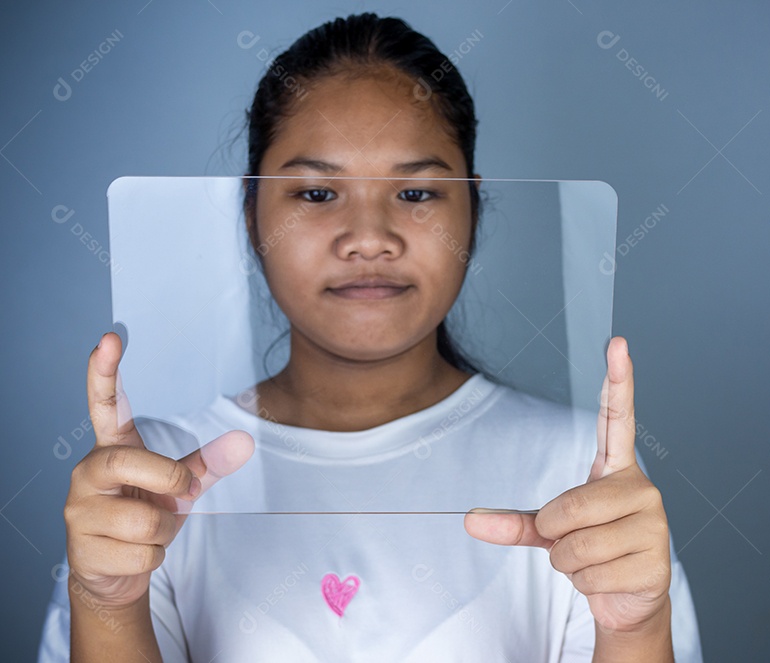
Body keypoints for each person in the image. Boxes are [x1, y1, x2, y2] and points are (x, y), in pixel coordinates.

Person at [39, 12, 702, 662]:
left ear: (473, 209)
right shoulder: (153, 484)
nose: (369, 239)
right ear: (250, 214)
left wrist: (635, 627)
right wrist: (107, 602)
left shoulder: (584, 477)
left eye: (416, 193)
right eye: (317, 193)